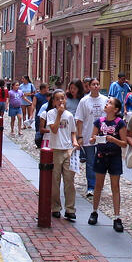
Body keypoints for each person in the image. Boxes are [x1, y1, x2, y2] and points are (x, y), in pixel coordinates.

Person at [88, 97, 127, 232]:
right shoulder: (99, 122)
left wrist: (113, 140)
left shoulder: (120, 123)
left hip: (114, 156)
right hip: (101, 155)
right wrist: (93, 139)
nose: (106, 104)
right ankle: (94, 211)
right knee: (98, 185)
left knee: (115, 186)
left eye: (110, 103)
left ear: (116, 109)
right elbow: (92, 139)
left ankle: (117, 217)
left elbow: (124, 143)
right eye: (107, 102)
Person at [46, 89, 79, 221]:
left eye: (62, 98)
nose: (61, 101)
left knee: (69, 181)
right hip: (55, 149)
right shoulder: (50, 114)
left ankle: (70, 209)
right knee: (55, 181)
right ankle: (55, 207)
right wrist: (59, 115)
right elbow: (54, 130)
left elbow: (72, 132)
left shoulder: (70, 115)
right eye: (58, 99)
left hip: (68, 150)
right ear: (53, 101)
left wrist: (75, 141)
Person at [75, 78, 108, 197]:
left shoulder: (105, 100)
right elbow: (79, 119)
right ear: (89, 87)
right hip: (88, 134)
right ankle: (91, 186)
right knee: (90, 162)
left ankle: (99, 184)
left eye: (97, 84)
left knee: (101, 161)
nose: (95, 86)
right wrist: (80, 136)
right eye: (93, 84)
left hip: (102, 136)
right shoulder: (84, 101)